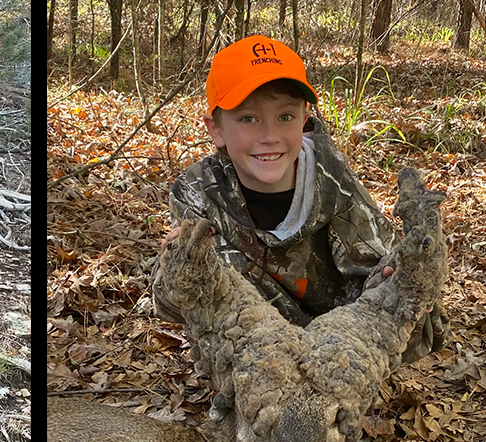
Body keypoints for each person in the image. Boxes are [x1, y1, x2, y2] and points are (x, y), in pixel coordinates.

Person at [152, 35, 446, 363]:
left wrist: (396, 281)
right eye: (249, 118)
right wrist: (179, 270)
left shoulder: (334, 182)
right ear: (216, 128)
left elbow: (386, 277)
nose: (270, 136)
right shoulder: (199, 191)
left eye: (285, 117)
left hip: (339, 351)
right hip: (254, 353)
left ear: (305, 117)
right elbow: (175, 305)